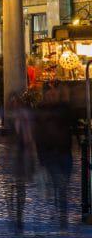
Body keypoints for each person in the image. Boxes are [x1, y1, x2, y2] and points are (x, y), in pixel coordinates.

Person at [34, 84, 75, 229]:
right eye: (49, 94)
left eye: (54, 94)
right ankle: (61, 216)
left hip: (64, 152)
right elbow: (37, 134)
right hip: (50, 153)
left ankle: (60, 213)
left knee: (62, 184)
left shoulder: (63, 109)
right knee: (60, 184)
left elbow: (71, 120)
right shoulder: (40, 110)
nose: (52, 96)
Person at [4, 92, 36, 232]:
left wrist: (32, 155)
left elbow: (28, 138)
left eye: (16, 102)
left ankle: (19, 214)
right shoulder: (9, 119)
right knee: (11, 186)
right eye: (13, 103)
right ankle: (13, 212)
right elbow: (5, 138)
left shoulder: (24, 118)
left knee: (20, 186)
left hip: (21, 155)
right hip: (12, 155)